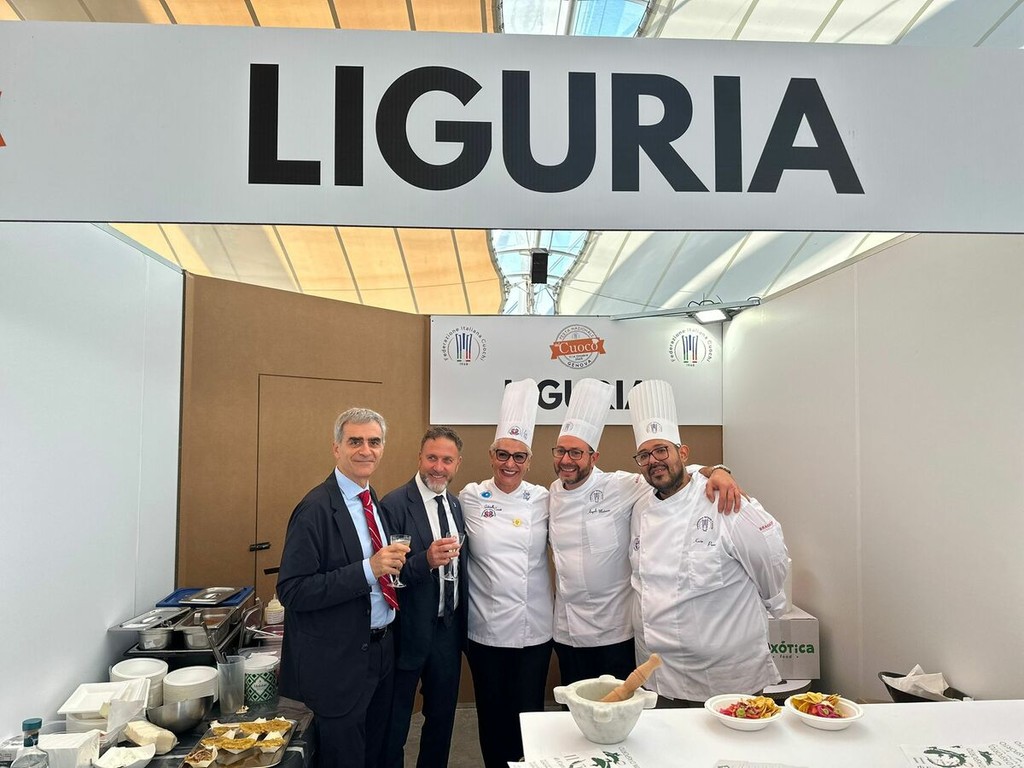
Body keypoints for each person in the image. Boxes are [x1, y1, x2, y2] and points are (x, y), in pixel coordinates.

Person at [547, 378, 744, 686]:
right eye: (561, 451)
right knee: (574, 703)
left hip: (615, 631)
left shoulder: (620, 485)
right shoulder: (551, 493)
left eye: (576, 453)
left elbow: (670, 473)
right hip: (567, 630)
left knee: (621, 705)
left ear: (593, 458)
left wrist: (717, 470)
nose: (566, 460)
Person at [627, 380, 790, 705]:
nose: (653, 460)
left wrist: (775, 602)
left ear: (682, 453)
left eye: (661, 450)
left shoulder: (723, 499)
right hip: (659, 673)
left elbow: (770, 556)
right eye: (644, 455)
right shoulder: (640, 505)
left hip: (726, 674)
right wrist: (713, 468)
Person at [276, 408, 410, 768]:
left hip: (381, 652)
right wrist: (369, 569)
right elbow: (292, 591)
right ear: (336, 448)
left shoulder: (371, 499)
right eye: (355, 441)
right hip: (339, 663)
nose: (366, 450)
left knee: (376, 753)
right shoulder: (315, 509)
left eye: (374, 442)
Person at [459, 379, 552, 768]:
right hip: (486, 630)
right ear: (491, 454)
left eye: (518, 456)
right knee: (492, 714)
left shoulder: (544, 498)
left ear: (529, 460)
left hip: (535, 630)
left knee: (529, 715)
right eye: (503, 454)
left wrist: (715, 470)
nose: (509, 463)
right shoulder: (470, 496)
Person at [379, 426, 466, 768]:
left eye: (447, 460)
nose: (438, 467)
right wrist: (425, 561)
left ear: (457, 464)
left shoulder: (455, 505)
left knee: (441, 721)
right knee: (395, 722)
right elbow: (386, 575)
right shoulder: (394, 504)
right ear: (419, 458)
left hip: (447, 631)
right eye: (432, 458)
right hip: (407, 631)